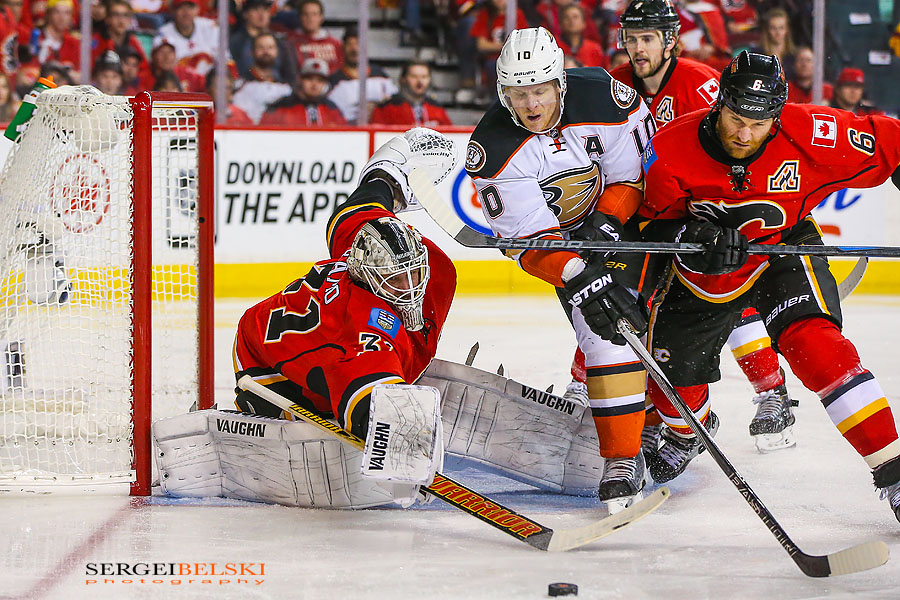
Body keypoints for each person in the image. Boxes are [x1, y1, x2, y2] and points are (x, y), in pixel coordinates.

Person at [635, 51, 900, 523]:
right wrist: (687, 236)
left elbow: (895, 143)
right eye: (736, 119)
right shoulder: (671, 146)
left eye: (758, 124)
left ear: (777, 115)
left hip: (783, 250)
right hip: (704, 268)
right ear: (719, 104)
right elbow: (645, 224)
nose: (743, 134)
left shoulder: (813, 130)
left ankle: (895, 476)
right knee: (674, 379)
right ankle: (686, 432)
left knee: (820, 349)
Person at [464, 26, 652, 512]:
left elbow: (636, 176)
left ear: (559, 84)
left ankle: (680, 425)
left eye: (540, 90)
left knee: (677, 325)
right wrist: (577, 272)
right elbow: (528, 244)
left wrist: (608, 222)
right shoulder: (493, 147)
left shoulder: (608, 100)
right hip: (567, 247)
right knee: (605, 329)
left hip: (637, 222)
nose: (530, 104)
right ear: (503, 92)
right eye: (518, 93)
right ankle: (622, 460)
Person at [604, 0, 799, 454]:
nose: (637, 48)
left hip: (710, 214)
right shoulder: (615, 82)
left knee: (725, 296)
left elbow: (741, 148)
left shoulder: (698, 82)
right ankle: (654, 409)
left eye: (647, 38)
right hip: (650, 213)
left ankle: (771, 392)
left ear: (670, 39)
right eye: (631, 38)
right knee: (635, 306)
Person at [327, 27, 397, 123]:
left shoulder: (380, 75)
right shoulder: (334, 79)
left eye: (358, 44)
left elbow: (394, 102)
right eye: (350, 44)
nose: (354, 49)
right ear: (343, 48)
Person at [259, 57, 345, 126]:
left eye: (320, 80)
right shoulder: (281, 106)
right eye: (309, 79)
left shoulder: (332, 109)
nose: (314, 84)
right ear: (299, 80)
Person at [231, 32, 293, 123]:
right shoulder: (241, 85)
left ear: (277, 51)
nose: (266, 52)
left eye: (270, 47)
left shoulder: (286, 85)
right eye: (261, 47)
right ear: (252, 51)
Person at [371, 60, 452, 127]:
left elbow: (450, 135)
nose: (420, 81)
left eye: (424, 77)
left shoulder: (437, 108)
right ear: (403, 79)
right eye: (414, 76)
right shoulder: (386, 108)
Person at [152, 0, 222, 77]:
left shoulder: (210, 27)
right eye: (181, 7)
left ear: (198, 9)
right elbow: (161, 69)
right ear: (173, 10)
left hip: (210, 82)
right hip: (180, 82)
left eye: (190, 7)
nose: (186, 13)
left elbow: (226, 60)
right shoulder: (163, 33)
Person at [287, 0, 342, 75]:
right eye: (306, 14)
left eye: (314, 14)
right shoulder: (289, 41)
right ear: (300, 17)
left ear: (321, 17)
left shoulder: (335, 44)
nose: (310, 19)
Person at [556, 4, 608, 69]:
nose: (571, 21)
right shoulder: (554, 47)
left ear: (584, 23)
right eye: (566, 17)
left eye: (575, 17)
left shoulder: (594, 49)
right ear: (560, 24)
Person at [750, 7, 796, 78]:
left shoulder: (794, 56)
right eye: (773, 28)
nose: (778, 33)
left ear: (787, 30)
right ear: (767, 30)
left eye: (781, 28)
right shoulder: (757, 55)